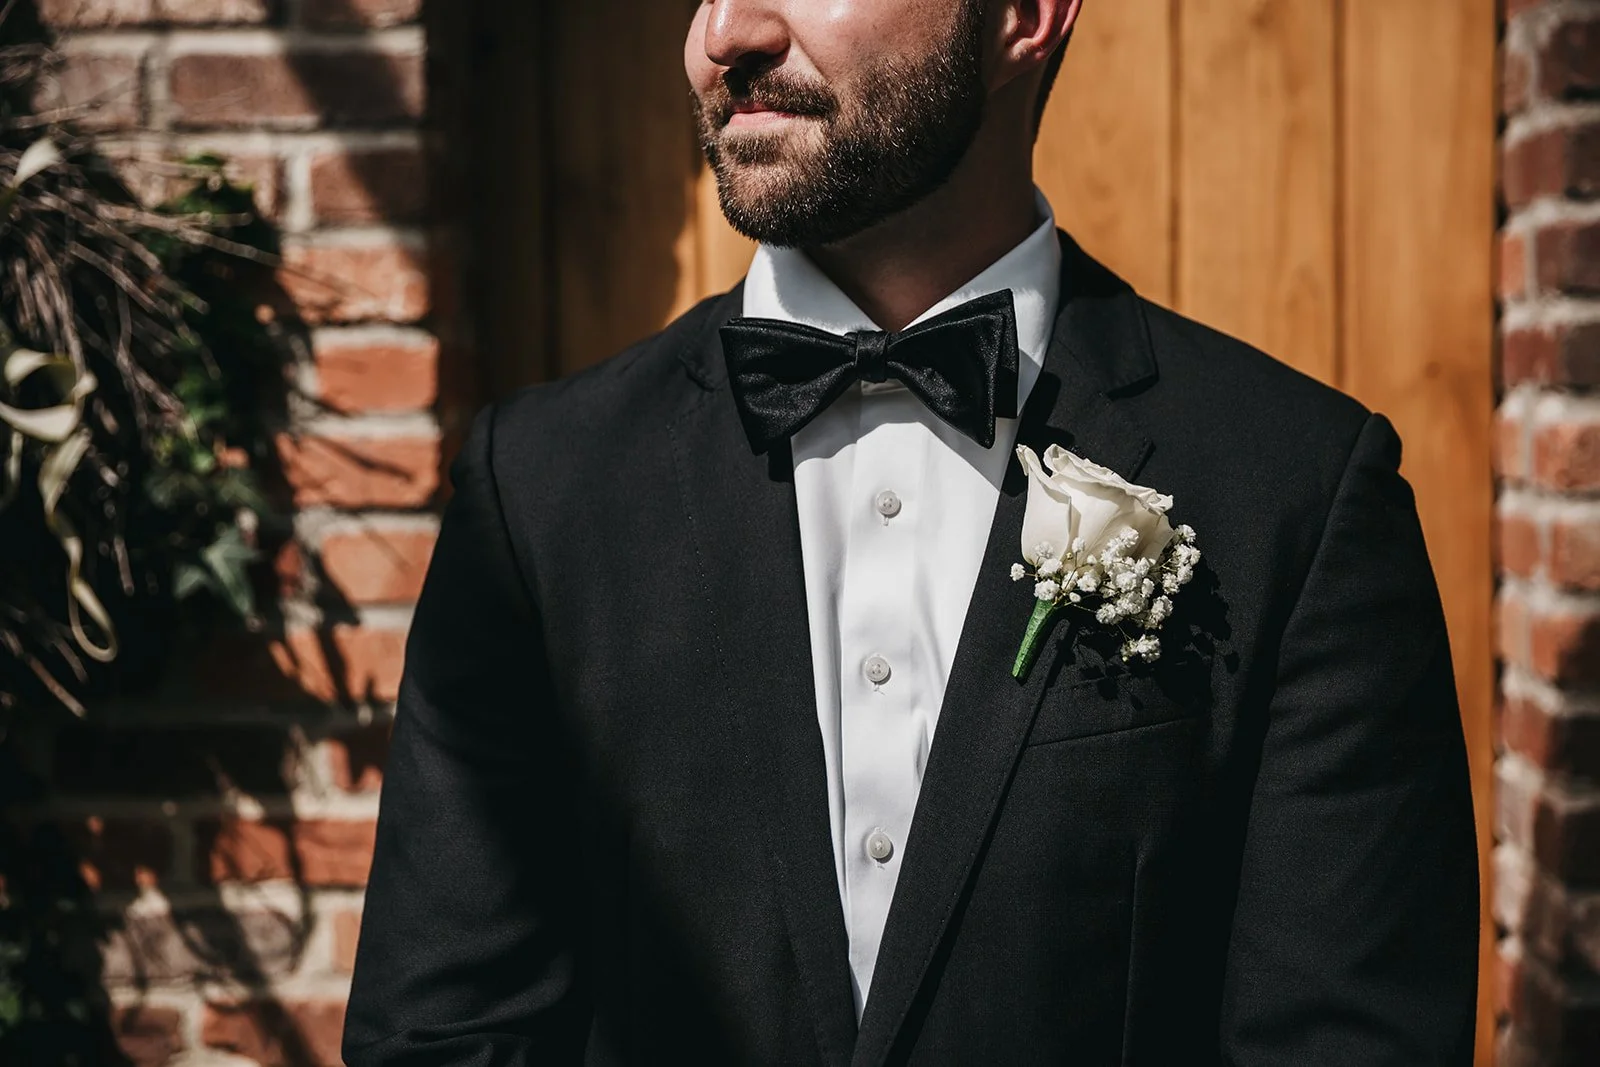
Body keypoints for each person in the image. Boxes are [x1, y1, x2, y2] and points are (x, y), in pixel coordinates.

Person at [341, 1, 1480, 1063]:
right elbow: (446, 1032)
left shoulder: (1299, 488)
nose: (724, 32)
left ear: (1026, 15)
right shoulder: (536, 490)